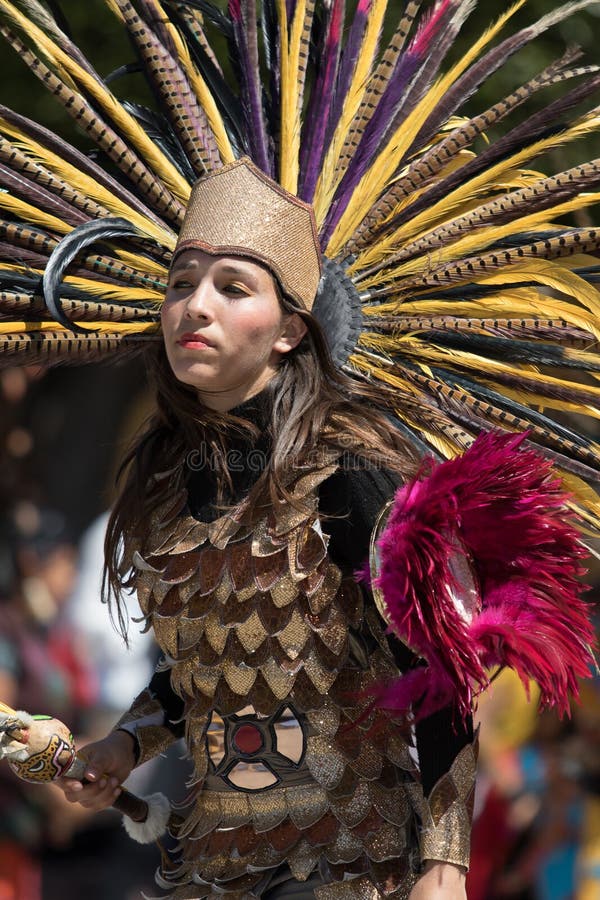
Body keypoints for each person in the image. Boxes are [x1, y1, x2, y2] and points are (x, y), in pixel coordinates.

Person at [54, 158, 476, 898]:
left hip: (352, 856)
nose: (195, 306)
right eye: (181, 283)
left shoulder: (350, 468)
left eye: (232, 287)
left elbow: (444, 667)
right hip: (213, 860)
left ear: (288, 331)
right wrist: (125, 742)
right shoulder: (165, 483)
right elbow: (218, 668)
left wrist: (446, 861)